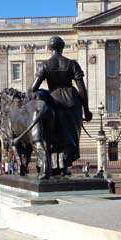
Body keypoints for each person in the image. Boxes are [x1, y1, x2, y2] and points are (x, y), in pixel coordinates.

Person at [30, 35, 92, 176]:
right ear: (63, 48)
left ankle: (52, 166)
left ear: (49, 48)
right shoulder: (72, 64)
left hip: (53, 101)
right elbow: (82, 89)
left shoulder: (44, 65)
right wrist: (86, 110)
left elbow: (33, 89)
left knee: (52, 136)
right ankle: (64, 166)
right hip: (72, 101)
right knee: (69, 135)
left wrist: (44, 94)